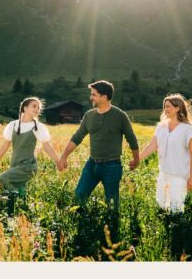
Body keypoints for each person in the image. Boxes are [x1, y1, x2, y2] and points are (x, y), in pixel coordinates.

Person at [58, 80, 140, 213]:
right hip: (92, 165)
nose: (91, 97)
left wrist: (136, 160)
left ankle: (112, 228)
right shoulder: (89, 116)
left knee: (112, 204)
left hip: (112, 166)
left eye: (94, 94)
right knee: (79, 195)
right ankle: (83, 225)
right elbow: (77, 137)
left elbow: (132, 139)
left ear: (104, 97)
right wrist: (63, 157)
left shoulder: (120, 116)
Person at [0, 97, 61, 211]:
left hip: (28, 166)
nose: (37, 109)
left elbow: (47, 146)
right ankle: (20, 210)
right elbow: (5, 146)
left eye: (38, 107)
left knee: (3, 178)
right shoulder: (13, 125)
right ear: (25, 108)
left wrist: (58, 161)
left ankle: (11, 203)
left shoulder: (38, 127)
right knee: (21, 191)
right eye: (34, 106)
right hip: (15, 164)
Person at [138, 93, 192, 213]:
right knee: (160, 207)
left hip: (179, 175)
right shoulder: (161, 127)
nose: (165, 109)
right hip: (163, 173)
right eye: (164, 107)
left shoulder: (188, 129)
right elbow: (152, 146)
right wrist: (137, 159)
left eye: (168, 106)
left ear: (178, 108)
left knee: (176, 209)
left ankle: (178, 231)